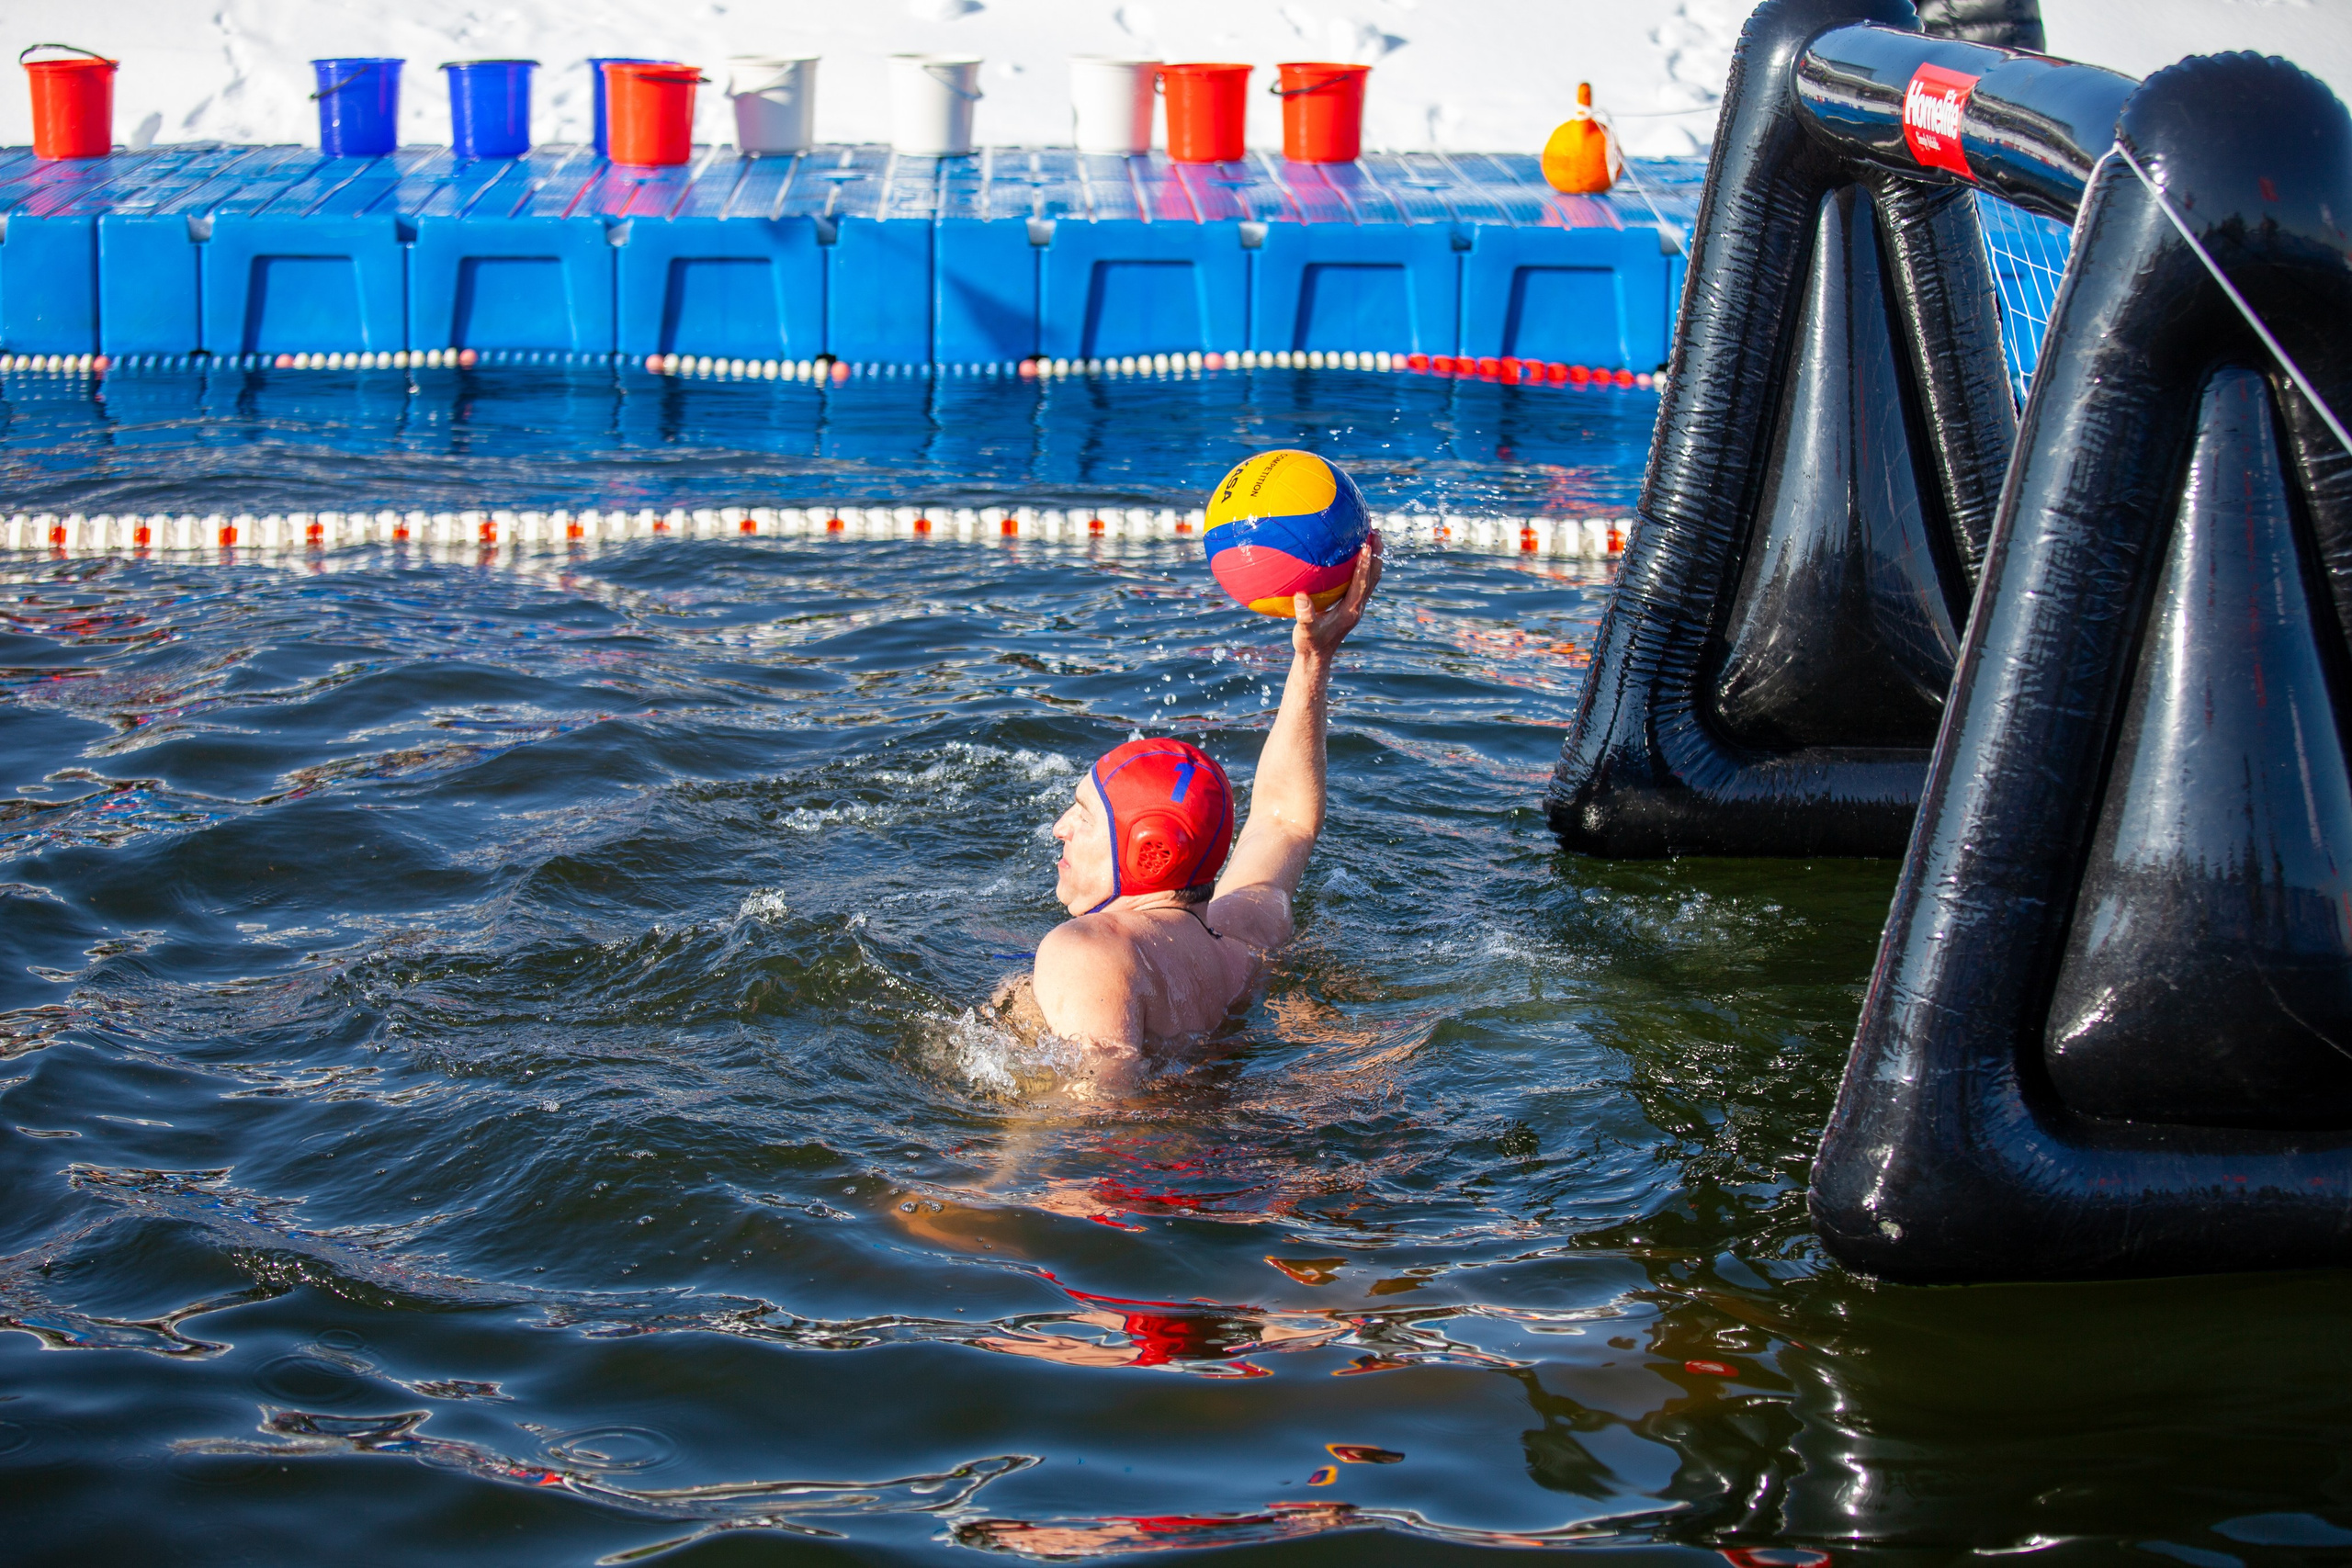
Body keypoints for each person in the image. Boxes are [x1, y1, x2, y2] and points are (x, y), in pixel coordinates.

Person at [987, 529, 1382, 1080]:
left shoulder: (1088, 951)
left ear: (1146, 851)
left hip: (1158, 1161)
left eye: (1084, 814)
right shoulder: (1246, 937)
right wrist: (1315, 656)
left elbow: (1103, 1110)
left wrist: (989, 1171)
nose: (1060, 828)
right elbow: (1284, 819)